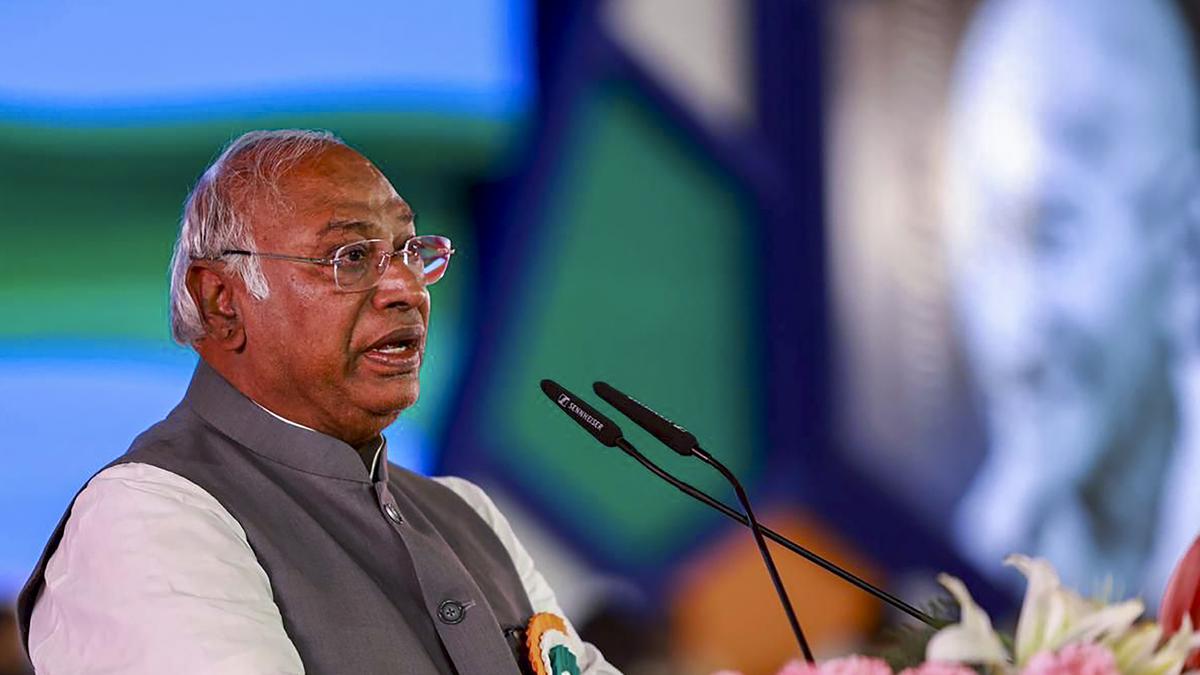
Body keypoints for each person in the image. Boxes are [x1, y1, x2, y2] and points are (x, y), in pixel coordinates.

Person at [16, 129, 620, 674]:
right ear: (221, 300)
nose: (406, 289)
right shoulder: (147, 516)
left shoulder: (467, 516)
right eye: (351, 257)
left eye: (412, 252)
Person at [944, 0, 1200, 595]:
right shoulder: (996, 531)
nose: (1015, 327)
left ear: (1179, 236)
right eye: (987, 244)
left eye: (1050, 235)